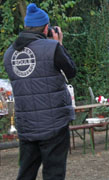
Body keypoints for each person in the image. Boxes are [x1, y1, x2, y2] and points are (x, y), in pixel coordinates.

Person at [3, 3, 76, 180]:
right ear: (45, 28)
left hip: (27, 125)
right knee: (53, 173)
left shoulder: (9, 53)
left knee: (26, 172)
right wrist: (58, 44)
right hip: (54, 124)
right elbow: (71, 72)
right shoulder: (52, 48)